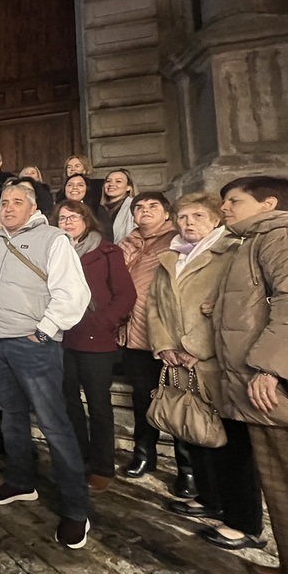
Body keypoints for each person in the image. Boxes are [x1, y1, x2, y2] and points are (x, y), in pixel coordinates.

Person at [212, 176, 288, 574]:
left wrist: (272, 369)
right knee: (282, 488)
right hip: (259, 387)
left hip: (284, 387)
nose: (225, 208)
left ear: (269, 203)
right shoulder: (252, 241)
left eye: (234, 201)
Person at [0, 180, 92, 549]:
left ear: (32, 207)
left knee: (54, 424)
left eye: (16, 202)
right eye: (4, 202)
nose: (8, 208)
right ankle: (21, 482)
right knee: (11, 416)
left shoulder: (53, 239)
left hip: (33, 346)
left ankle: (75, 510)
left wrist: (44, 331)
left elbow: (73, 293)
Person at [147, 192, 266, 551]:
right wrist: (165, 345)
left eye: (198, 215)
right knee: (195, 430)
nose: (189, 223)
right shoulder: (171, 256)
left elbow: (232, 307)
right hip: (181, 362)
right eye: (182, 217)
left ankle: (244, 522)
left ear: (215, 219)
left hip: (218, 363)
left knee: (232, 441)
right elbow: (155, 305)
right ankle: (209, 499)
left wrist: (192, 348)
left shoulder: (232, 253)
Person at [51, 200, 136, 493]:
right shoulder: (53, 253)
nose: (68, 222)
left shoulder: (106, 251)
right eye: (62, 218)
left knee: (99, 405)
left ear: (87, 220)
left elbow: (125, 294)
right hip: (63, 337)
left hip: (96, 339)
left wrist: (104, 321)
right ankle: (78, 456)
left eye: (74, 216)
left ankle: (101, 466)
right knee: (69, 402)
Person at [117, 192, 194, 495]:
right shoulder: (126, 243)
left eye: (152, 207)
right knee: (142, 400)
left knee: (177, 402)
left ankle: (186, 469)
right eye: (139, 207)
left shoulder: (177, 241)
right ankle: (143, 455)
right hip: (135, 336)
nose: (145, 211)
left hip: (170, 337)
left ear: (166, 213)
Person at [61, 174, 113, 241]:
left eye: (80, 185)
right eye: (70, 185)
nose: (74, 187)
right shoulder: (57, 210)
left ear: (86, 189)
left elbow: (107, 236)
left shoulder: (97, 209)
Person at [101, 169, 136, 243]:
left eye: (118, 181)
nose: (111, 184)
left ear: (128, 187)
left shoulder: (134, 206)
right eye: (108, 181)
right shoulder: (99, 208)